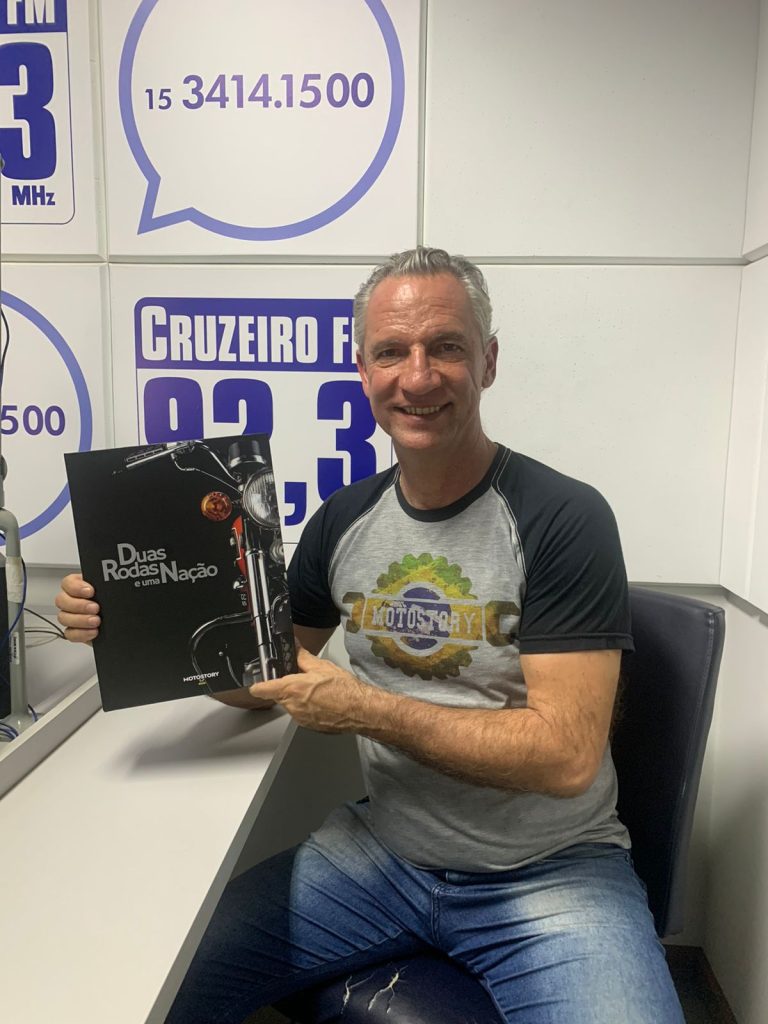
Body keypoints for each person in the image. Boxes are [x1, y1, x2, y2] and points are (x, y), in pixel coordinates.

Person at [56, 248, 684, 1023]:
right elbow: (262, 676)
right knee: (154, 986)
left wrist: (367, 710)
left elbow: (565, 757)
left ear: (488, 362)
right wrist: (129, 625)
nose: (417, 377)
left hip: (552, 874)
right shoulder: (344, 519)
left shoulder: (563, 517)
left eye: (445, 347)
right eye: (391, 352)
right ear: (363, 371)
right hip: (380, 858)